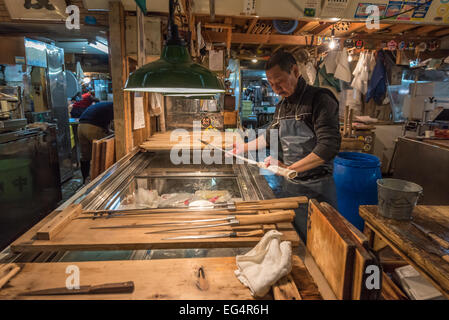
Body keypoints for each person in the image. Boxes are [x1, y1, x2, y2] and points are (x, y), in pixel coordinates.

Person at [229, 50, 341, 241]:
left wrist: (288, 168)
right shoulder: (282, 106)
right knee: (295, 239)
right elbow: (269, 137)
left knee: (319, 242)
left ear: (295, 71)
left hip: (317, 189)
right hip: (291, 187)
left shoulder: (320, 99)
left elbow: (328, 146)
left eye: (279, 81)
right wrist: (241, 148)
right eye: (271, 84)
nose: (275, 88)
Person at [78, 101, 114, 184]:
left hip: (81, 126)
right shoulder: (115, 107)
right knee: (103, 152)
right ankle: (102, 180)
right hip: (93, 127)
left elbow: (107, 126)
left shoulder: (105, 105)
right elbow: (118, 125)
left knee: (85, 156)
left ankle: (85, 180)